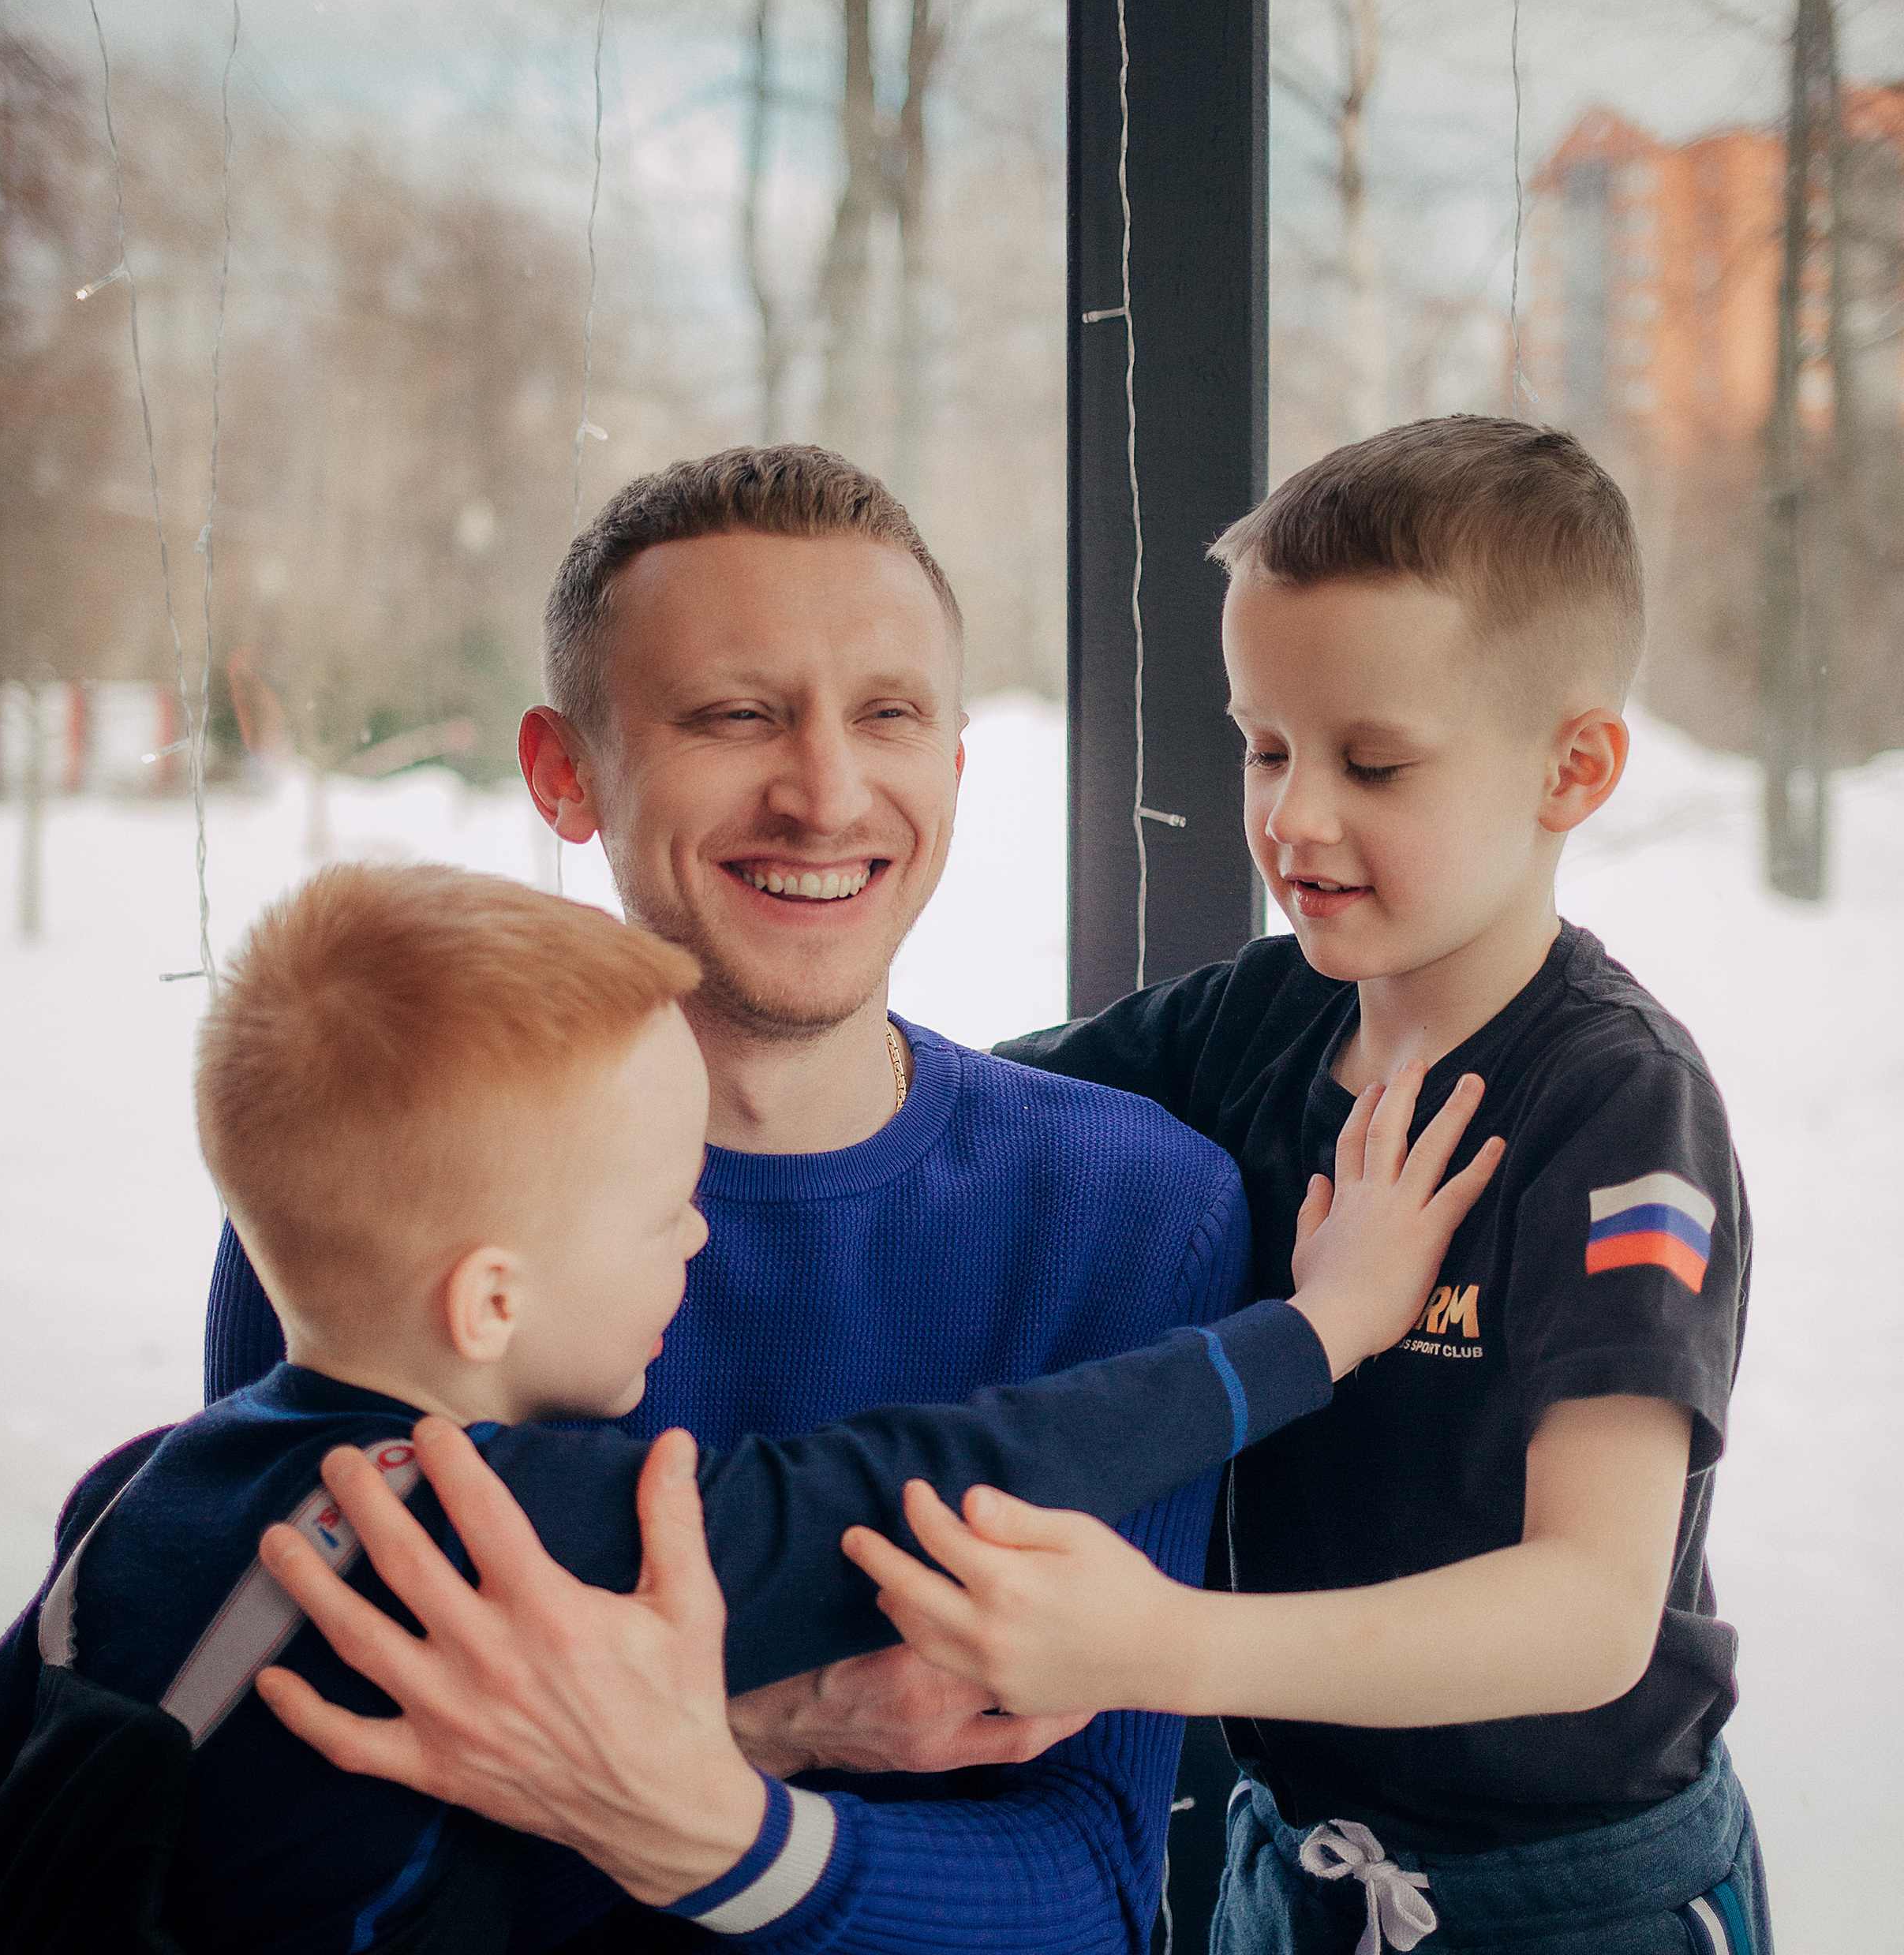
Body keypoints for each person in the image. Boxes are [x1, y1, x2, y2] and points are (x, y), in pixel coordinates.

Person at [0, 861, 1494, 1955]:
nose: (700, 1238)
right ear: (490, 1301)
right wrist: (1316, 1330)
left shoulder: (133, 1490)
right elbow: (950, 1471)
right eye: (664, 1211)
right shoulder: (533, 1517)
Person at [194, 443, 1318, 1952]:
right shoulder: (391, 1199)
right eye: (737, 715)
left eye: (889, 716)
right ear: (565, 773)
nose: (828, 795)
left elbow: (1087, 1887)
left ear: (956, 762)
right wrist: (774, 1735)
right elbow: (293, 1830)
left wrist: (703, 1814)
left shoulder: (1134, 1211)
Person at [842, 417, 1772, 1955]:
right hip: (1299, 1868)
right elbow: (953, 1108)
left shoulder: (1616, 1105)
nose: (1292, 816)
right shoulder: (1253, 1020)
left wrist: (1156, 1643)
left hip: (1574, 1896)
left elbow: (1588, 1614)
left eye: (1372, 762)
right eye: (1265, 747)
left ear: (1574, 767)